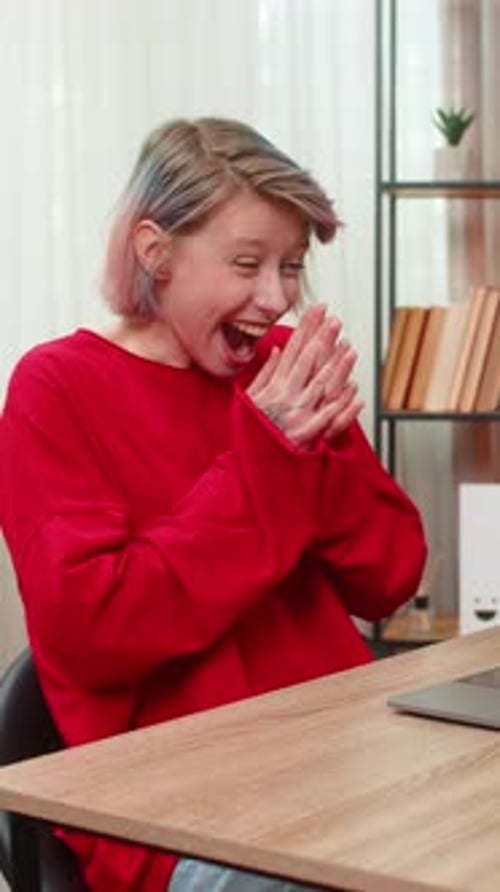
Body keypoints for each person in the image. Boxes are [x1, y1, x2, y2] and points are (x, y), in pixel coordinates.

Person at [1, 117, 427, 892]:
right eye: (247, 264)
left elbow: (390, 575)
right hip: (180, 820)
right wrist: (265, 455)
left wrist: (317, 449)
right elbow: (94, 628)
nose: (277, 297)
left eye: (292, 266)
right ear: (154, 252)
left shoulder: (282, 374)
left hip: (343, 771)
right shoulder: (55, 387)